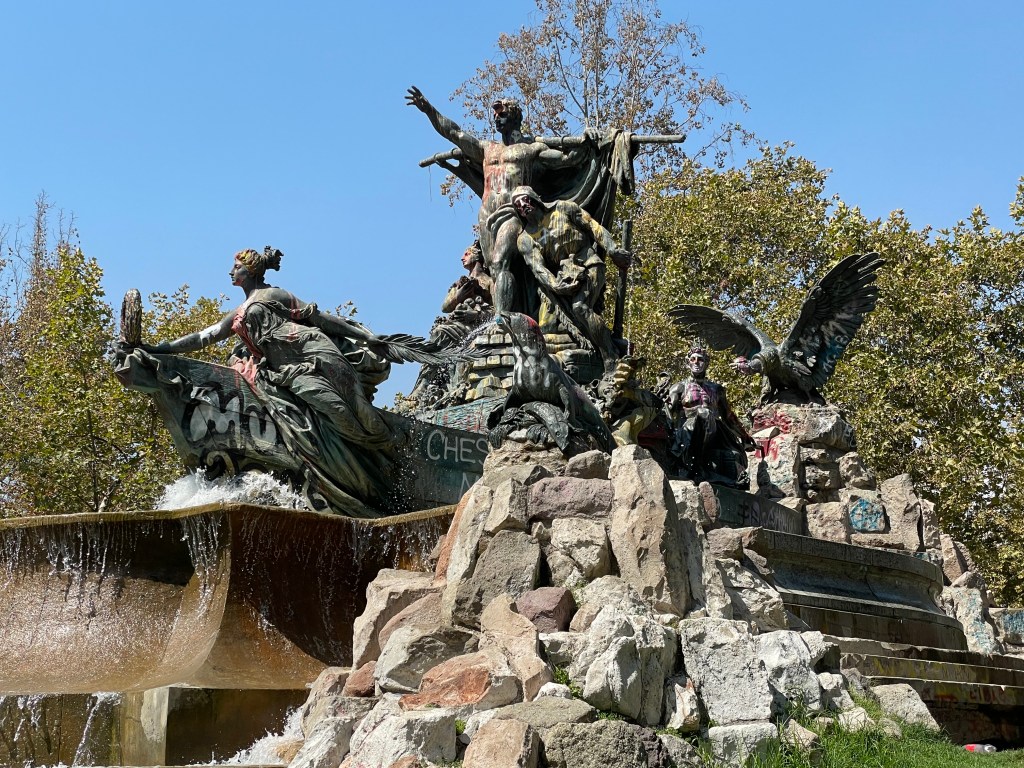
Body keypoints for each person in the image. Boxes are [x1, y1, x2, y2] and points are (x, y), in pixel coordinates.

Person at [143, 246, 399, 514]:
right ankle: (354, 472)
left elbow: (320, 318)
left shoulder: (274, 294)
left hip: (313, 355)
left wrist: (365, 337)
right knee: (326, 420)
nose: (231, 272)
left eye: (237, 267)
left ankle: (393, 453)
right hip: (283, 373)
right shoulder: (237, 313)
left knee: (350, 416)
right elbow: (203, 337)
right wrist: (159, 349)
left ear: (251, 270)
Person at [407, 87, 597, 314]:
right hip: (486, 215)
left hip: (512, 212)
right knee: (495, 270)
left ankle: (502, 319)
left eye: (502, 113)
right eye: (495, 115)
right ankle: (504, 315)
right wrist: (429, 110)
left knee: (500, 261)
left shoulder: (530, 149)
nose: (497, 118)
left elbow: (568, 160)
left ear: (515, 116)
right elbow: (454, 133)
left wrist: (589, 141)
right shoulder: (486, 148)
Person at [509, 185, 633, 372]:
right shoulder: (525, 239)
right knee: (546, 324)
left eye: (525, 200)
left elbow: (593, 227)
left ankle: (610, 357)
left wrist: (613, 250)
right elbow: (538, 269)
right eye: (517, 205)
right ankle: (595, 349)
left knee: (580, 307)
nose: (523, 206)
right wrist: (556, 285)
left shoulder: (564, 208)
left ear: (534, 198)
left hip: (589, 264)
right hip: (563, 278)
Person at [666, 346, 754, 488]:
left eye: (700, 359)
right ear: (688, 363)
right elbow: (667, 413)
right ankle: (698, 467)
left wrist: (744, 436)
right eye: (692, 359)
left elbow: (728, 416)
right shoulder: (679, 388)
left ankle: (729, 479)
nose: (696, 362)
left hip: (715, 432)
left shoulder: (716, 389)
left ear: (707, 363)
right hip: (688, 433)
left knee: (733, 452)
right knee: (704, 413)